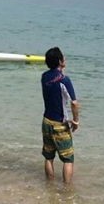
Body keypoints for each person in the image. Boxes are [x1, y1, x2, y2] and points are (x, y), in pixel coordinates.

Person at [41, 46, 79, 184]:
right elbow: (74, 103)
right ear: (59, 61)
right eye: (63, 57)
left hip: (46, 121)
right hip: (59, 124)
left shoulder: (44, 77)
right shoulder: (64, 80)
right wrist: (76, 121)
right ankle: (67, 190)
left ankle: (49, 186)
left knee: (48, 157)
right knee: (68, 159)